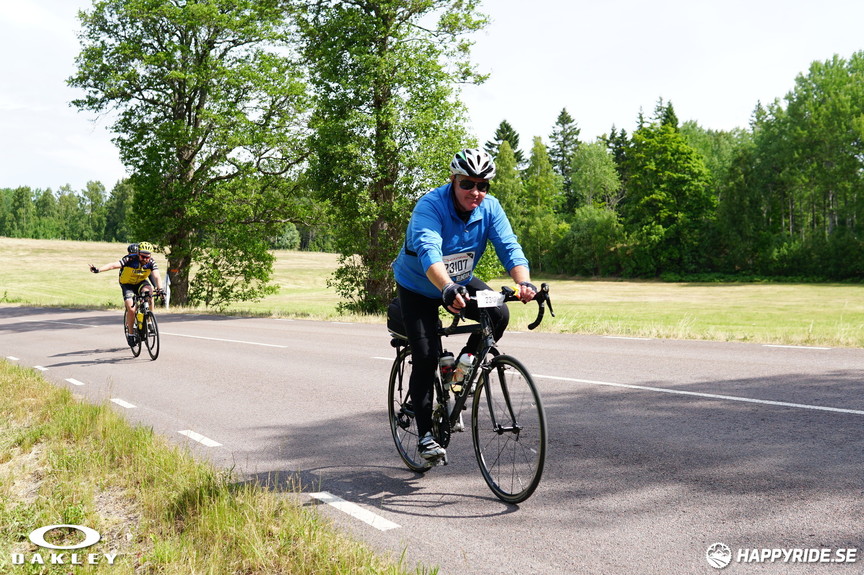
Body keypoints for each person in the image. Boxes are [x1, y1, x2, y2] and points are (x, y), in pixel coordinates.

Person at [391, 148, 537, 462]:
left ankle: (458, 376)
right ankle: (426, 435)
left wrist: (524, 282)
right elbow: (429, 249)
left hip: (459, 278)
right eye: (468, 184)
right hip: (420, 285)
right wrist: (446, 288)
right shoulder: (431, 205)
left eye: (483, 186)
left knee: (498, 314)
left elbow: (509, 246)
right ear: (453, 180)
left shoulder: (491, 208)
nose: (476, 192)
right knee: (426, 354)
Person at [89, 241, 164, 345]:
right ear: (138, 254)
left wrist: (160, 289)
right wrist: (98, 270)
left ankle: (149, 320)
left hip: (141, 282)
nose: (145, 259)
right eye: (143, 257)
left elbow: (157, 276)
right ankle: (131, 334)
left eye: (148, 257)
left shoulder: (151, 262)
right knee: (132, 309)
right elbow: (112, 265)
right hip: (127, 285)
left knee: (149, 294)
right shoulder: (129, 259)